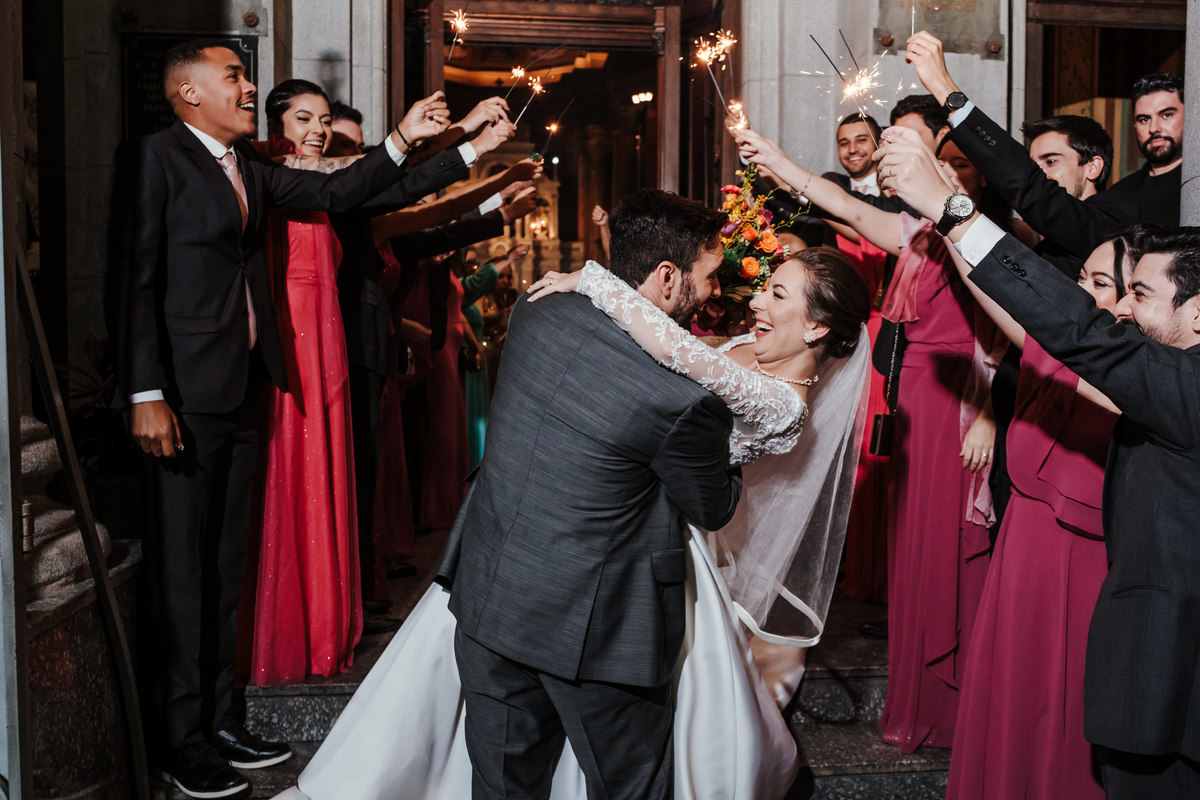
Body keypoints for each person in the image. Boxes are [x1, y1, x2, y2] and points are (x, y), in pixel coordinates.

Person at [271, 198, 871, 800]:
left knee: (507, 779)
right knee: (624, 779)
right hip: (597, 599)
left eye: (777, 293)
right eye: (729, 280)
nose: (746, 298)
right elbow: (679, 410)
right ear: (667, 276)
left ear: (818, 326)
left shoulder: (541, 312)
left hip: (506, 581)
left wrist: (590, 280)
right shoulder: (692, 385)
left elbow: (677, 367)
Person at [102, 37, 459, 798]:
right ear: (189, 91)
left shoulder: (253, 170)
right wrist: (144, 393)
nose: (247, 85)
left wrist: (402, 140)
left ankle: (224, 717)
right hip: (179, 402)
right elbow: (130, 282)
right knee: (180, 575)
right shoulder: (154, 158)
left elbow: (338, 192)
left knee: (227, 569)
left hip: (243, 392)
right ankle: (180, 741)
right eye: (233, 76)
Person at [876, 123, 1200, 799]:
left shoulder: (1182, 389)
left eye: (1141, 296)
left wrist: (953, 207)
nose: (1123, 312)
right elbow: (1042, 323)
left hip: (1166, 682)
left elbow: (1075, 332)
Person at [735, 124, 1022, 752]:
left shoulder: (992, 240)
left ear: (977, 179)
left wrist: (989, 415)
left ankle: (956, 706)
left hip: (962, 403)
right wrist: (776, 158)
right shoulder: (916, 236)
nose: (947, 173)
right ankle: (917, 700)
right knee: (913, 546)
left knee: (951, 549)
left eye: (958, 166)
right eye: (937, 162)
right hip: (916, 398)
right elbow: (838, 203)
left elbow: (1011, 335)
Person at [942, 227, 1150, 799]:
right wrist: (947, 217)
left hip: (1085, 553)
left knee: (1065, 695)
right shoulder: (1058, 350)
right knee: (1015, 684)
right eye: (1079, 278)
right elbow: (1000, 294)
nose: (1080, 292)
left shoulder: (1138, 377)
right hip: (1026, 536)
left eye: (1100, 283)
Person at [1109, 72, 1183, 225]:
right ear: (1135, 126)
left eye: (1167, 115)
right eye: (1144, 119)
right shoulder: (1121, 193)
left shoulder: (1194, 182)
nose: (1154, 128)